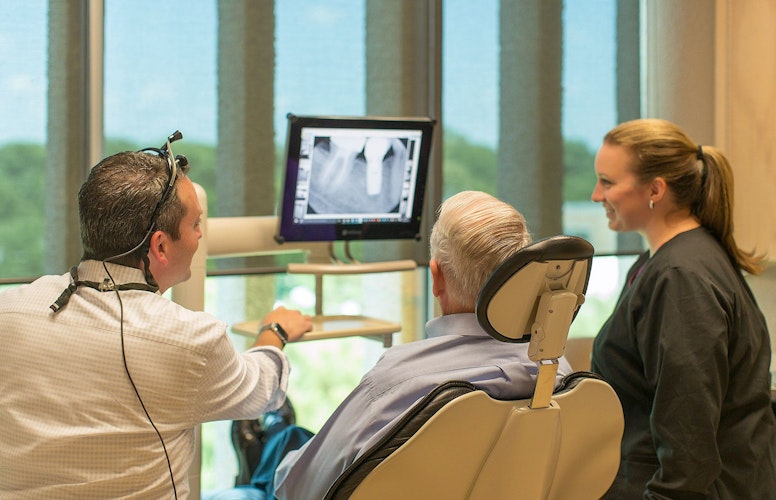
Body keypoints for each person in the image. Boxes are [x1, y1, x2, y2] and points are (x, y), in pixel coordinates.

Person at [206, 190, 575, 500]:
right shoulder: (557, 376)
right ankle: (278, 434)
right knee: (299, 437)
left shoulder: (400, 379)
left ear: (436, 278)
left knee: (284, 455)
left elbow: (299, 490)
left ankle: (263, 454)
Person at [0, 133, 312, 499]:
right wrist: (275, 331)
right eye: (196, 224)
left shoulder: (9, 310)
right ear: (160, 246)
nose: (200, 236)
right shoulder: (189, 338)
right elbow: (260, 393)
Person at [589, 118, 776, 498]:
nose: (596, 195)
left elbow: (688, 443)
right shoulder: (664, 261)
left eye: (607, 182)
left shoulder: (680, 277)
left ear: (655, 189)